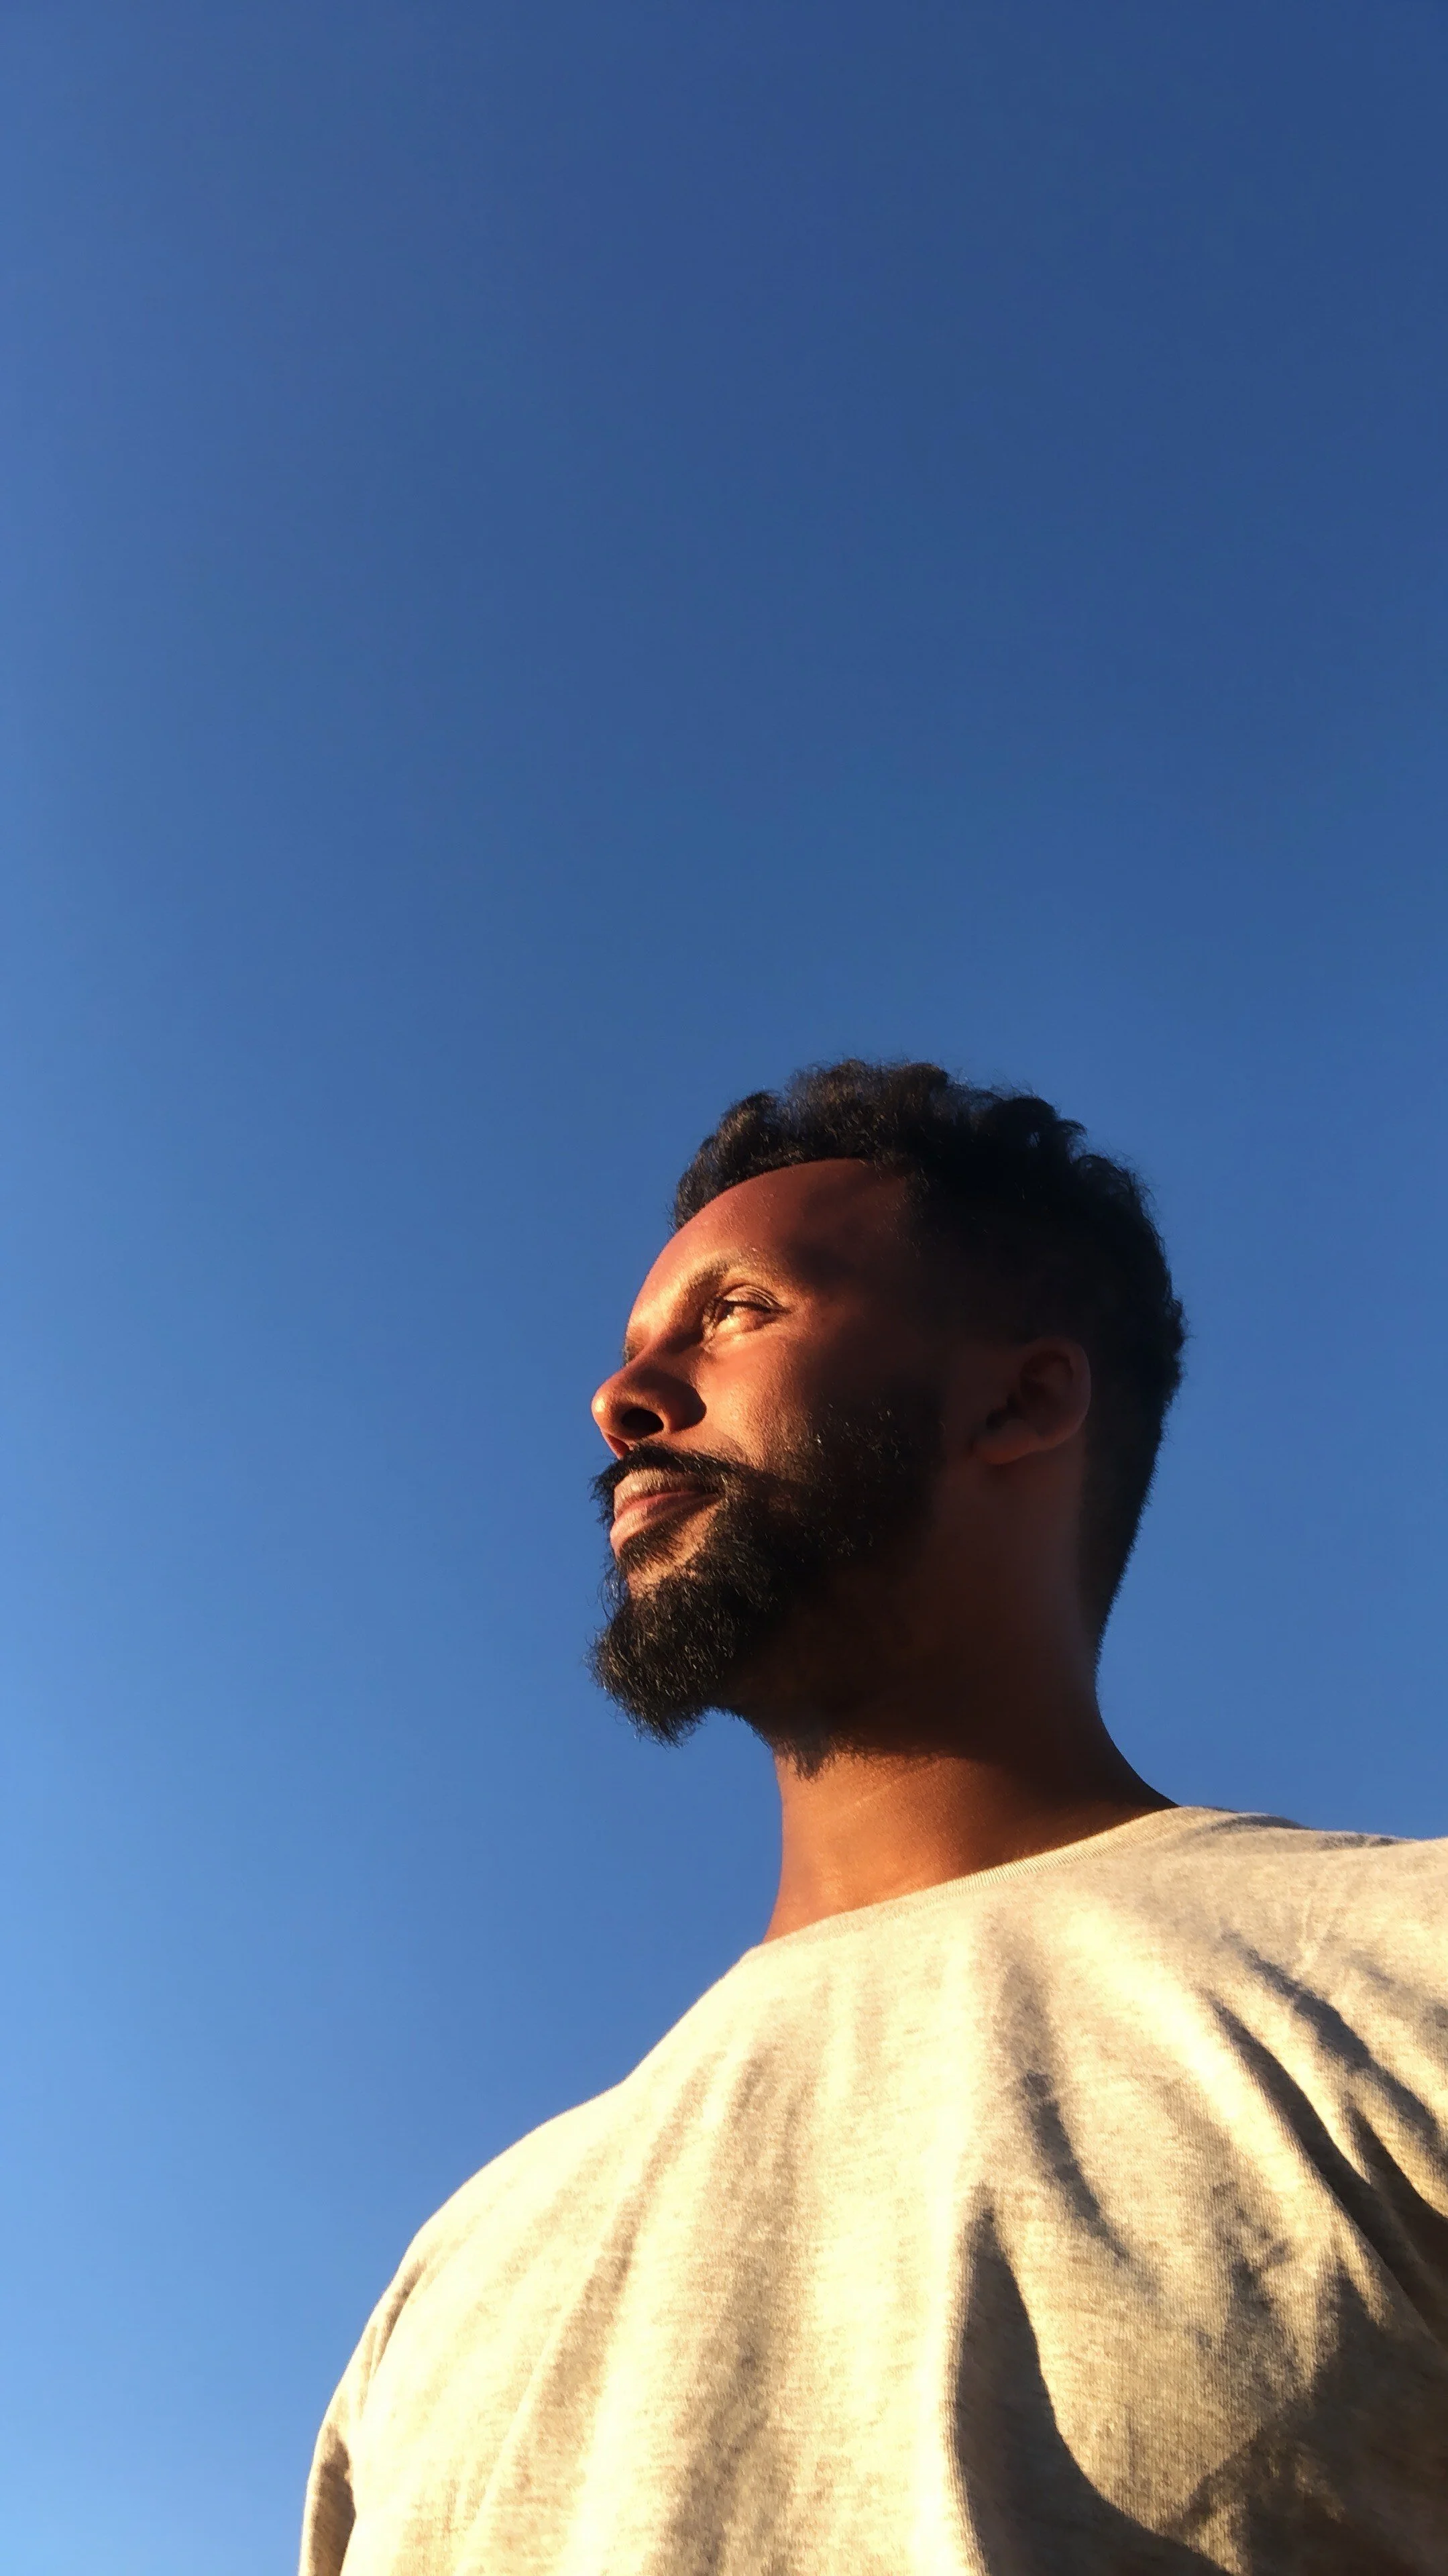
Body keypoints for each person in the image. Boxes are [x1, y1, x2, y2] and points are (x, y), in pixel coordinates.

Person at [300, 1059, 1448, 2575]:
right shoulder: (456, 2270)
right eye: (636, 1346)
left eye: (733, 1314)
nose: (619, 1399)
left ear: (1018, 1399)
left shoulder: (1399, 1975)